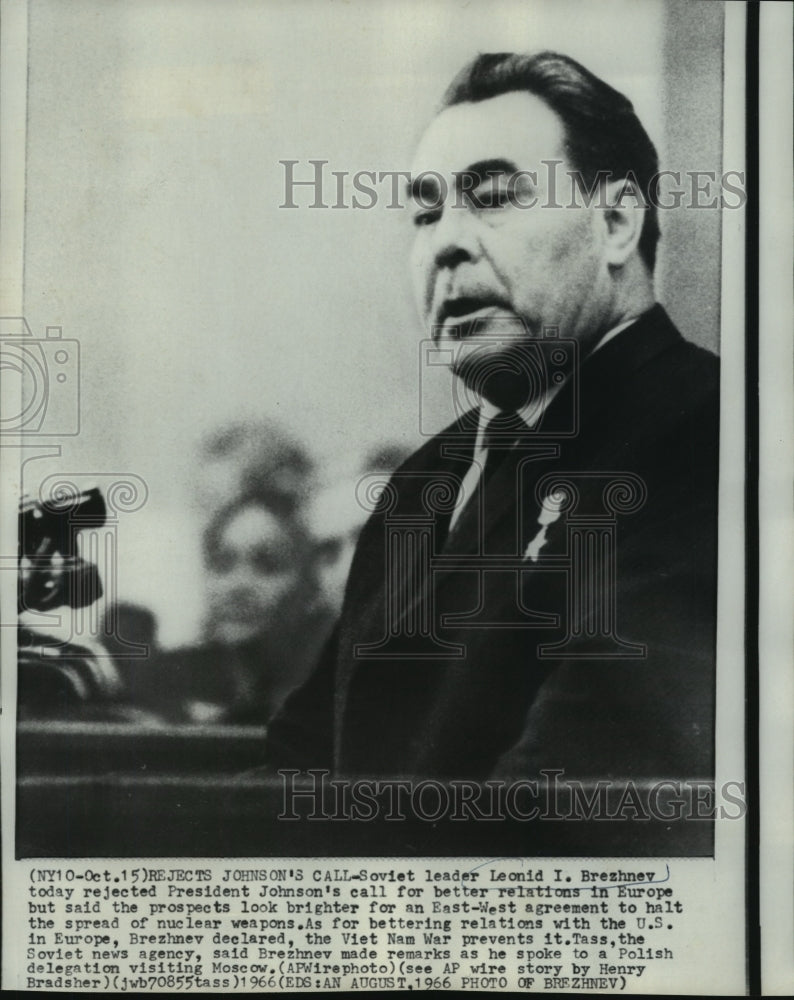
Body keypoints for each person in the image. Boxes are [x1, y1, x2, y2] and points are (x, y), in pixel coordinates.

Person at [264, 52, 719, 794]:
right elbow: (300, 758)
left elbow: (568, 801)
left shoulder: (706, 434)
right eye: (425, 211)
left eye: (495, 196)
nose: (445, 241)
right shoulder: (422, 483)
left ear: (614, 221)